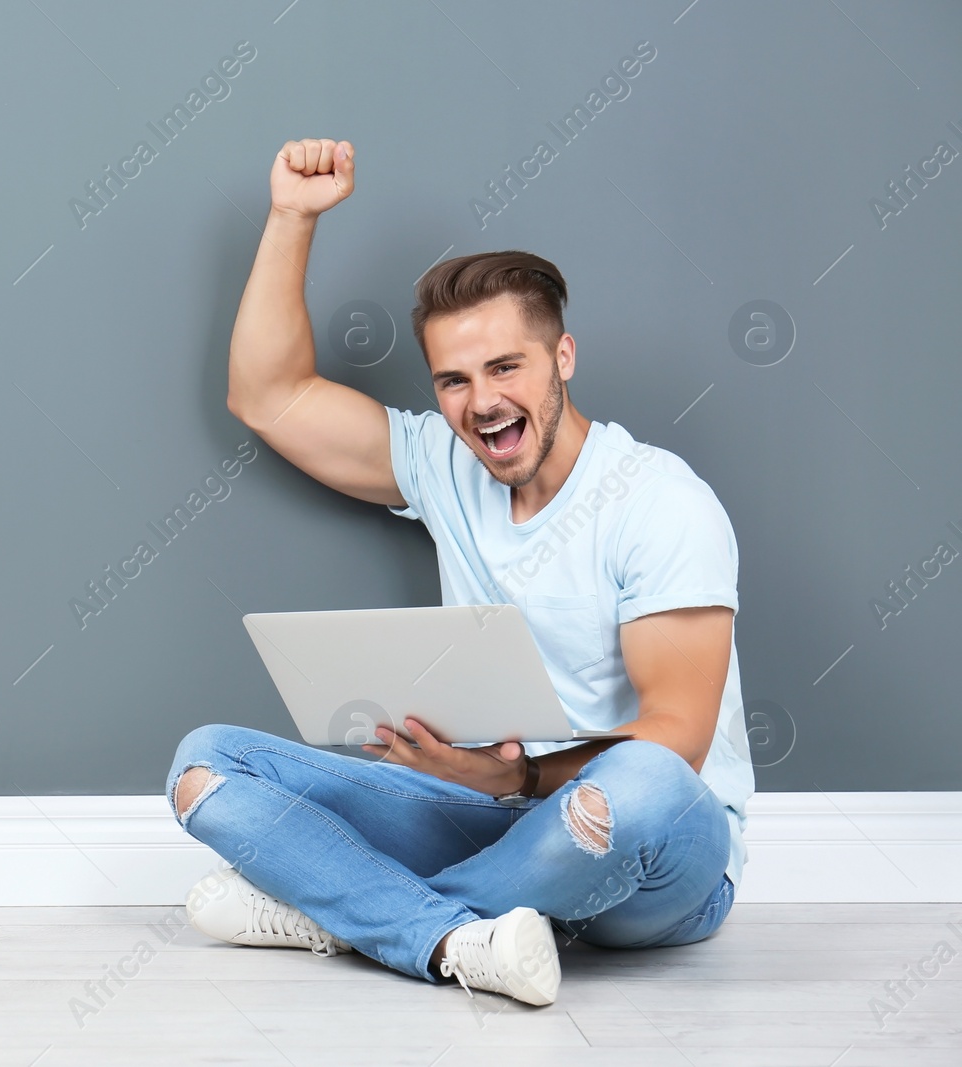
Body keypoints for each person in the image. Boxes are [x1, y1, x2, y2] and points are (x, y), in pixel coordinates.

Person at [165, 138, 753, 1007]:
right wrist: (293, 214)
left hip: (650, 855)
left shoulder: (660, 502)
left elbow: (678, 735)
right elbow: (270, 395)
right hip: (484, 815)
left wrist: (517, 777)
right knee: (205, 765)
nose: (480, 402)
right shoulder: (444, 461)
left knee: (648, 781)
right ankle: (452, 936)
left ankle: (358, 917)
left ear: (563, 358)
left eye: (506, 366)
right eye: (453, 379)